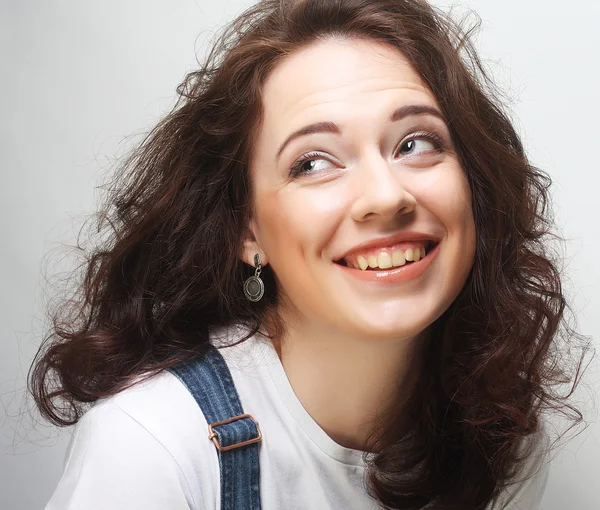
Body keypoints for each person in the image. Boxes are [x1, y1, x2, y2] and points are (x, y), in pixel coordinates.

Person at [30, 0, 585, 508]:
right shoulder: (151, 448)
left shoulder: (498, 438)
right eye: (313, 162)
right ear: (247, 231)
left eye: (416, 143)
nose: (385, 196)